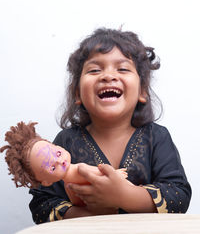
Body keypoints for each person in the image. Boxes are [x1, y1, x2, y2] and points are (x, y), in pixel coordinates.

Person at [28, 28, 191, 223]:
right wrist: (88, 215)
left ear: (143, 90)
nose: (108, 76)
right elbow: (41, 205)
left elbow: (179, 196)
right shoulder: (66, 142)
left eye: (122, 69)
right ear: (78, 94)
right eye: (95, 70)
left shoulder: (157, 137)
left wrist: (124, 196)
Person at [0, 121, 127, 206]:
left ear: (57, 146)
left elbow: (101, 173)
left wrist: (116, 174)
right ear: (46, 182)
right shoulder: (68, 186)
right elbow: (78, 205)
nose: (60, 161)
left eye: (58, 154)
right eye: (53, 167)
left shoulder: (80, 168)